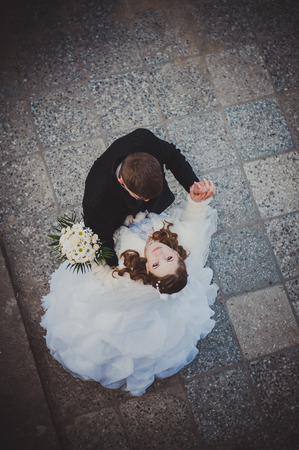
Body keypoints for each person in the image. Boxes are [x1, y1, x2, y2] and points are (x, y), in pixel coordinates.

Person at [41, 179, 217, 396]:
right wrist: (196, 202)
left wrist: (89, 253)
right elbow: (194, 226)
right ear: (179, 255)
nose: (159, 254)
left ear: (149, 272)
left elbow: (107, 279)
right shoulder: (181, 243)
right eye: (169, 257)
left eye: (155, 264)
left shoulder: (131, 277)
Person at [83, 128, 201, 266]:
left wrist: (193, 185)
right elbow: (103, 239)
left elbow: (173, 155)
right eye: (142, 197)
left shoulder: (144, 139)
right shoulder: (96, 201)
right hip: (119, 218)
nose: (147, 201)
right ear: (122, 181)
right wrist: (117, 268)